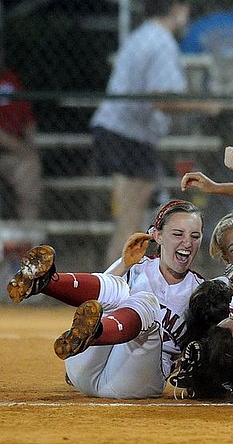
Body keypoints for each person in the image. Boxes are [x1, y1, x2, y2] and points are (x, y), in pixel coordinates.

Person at [6, 200, 205, 398]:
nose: (187, 242)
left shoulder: (202, 291)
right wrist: (123, 263)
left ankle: (95, 331)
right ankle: (45, 283)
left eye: (195, 236)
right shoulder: (137, 267)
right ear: (158, 236)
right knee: (119, 290)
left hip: (133, 381)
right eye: (178, 234)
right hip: (86, 367)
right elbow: (99, 300)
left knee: (145, 301)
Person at [90, 0, 219, 266]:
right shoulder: (161, 41)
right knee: (131, 220)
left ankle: (112, 284)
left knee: (130, 217)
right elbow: (162, 99)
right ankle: (111, 289)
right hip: (126, 134)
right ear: (175, 9)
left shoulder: (144, 35)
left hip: (123, 132)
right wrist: (206, 106)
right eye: (184, 10)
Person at [0, 45, 41, 220]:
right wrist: (23, 149)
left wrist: (30, 145)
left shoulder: (11, 80)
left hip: (13, 153)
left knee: (30, 166)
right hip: (14, 147)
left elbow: (28, 120)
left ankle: (30, 239)